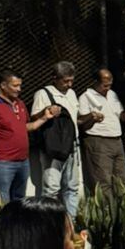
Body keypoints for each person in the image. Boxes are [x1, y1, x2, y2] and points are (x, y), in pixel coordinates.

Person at [0, 69, 61, 203]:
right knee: (1, 201)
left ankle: (17, 224)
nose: (19, 89)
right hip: (3, 162)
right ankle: (2, 224)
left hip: (23, 161)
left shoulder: (20, 103)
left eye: (20, 85)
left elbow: (24, 127)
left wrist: (44, 118)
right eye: (15, 85)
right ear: (3, 85)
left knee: (19, 201)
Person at [31, 61, 96, 221]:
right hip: (54, 149)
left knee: (72, 187)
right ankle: (48, 222)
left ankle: (70, 222)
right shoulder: (43, 94)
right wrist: (47, 111)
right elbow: (34, 117)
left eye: (71, 80)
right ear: (55, 78)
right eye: (65, 81)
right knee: (51, 188)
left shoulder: (72, 94)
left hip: (72, 146)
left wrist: (91, 117)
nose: (69, 84)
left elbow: (75, 120)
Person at [78, 68, 125, 195]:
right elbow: (81, 122)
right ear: (95, 82)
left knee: (122, 181)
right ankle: (106, 213)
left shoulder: (112, 94)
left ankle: (123, 212)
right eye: (104, 85)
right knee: (103, 182)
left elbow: (121, 115)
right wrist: (92, 117)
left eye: (110, 85)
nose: (107, 88)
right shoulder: (85, 97)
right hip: (99, 140)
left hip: (116, 139)